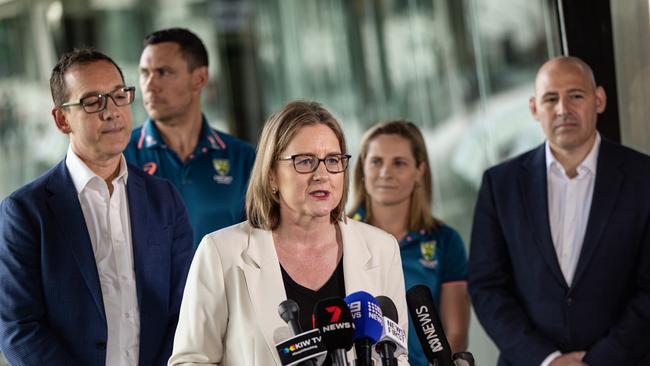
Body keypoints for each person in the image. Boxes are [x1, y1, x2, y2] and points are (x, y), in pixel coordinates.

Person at [168, 101, 409, 365]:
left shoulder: (382, 249)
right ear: (271, 175)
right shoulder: (221, 253)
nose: (322, 174)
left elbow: (396, 356)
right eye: (305, 161)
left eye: (332, 160)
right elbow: (190, 360)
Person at [0, 49, 195, 366]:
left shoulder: (164, 200)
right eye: (92, 102)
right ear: (62, 119)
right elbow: (18, 330)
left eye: (119, 96)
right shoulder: (25, 212)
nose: (112, 111)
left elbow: (186, 308)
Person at [468, 56, 650, 366]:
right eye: (551, 98)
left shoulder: (643, 177)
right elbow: (487, 286)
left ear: (599, 100)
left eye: (576, 95)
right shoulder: (501, 185)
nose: (563, 109)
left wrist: (599, 360)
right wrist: (547, 360)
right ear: (534, 108)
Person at [349, 120, 470, 365]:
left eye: (399, 163)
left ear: (420, 171)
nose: (385, 172)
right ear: (362, 169)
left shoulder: (445, 240)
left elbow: (455, 333)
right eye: (376, 161)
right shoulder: (339, 234)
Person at [124, 28, 255, 246]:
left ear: (200, 78)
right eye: (145, 73)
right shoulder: (120, 157)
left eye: (163, 72)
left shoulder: (244, 160)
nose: (150, 85)